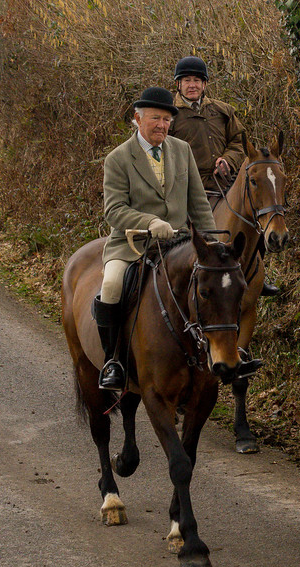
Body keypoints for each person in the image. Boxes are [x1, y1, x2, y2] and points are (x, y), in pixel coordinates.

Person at [94, 86, 217, 390]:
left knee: (217, 285)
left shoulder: (181, 150)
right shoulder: (118, 159)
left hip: (178, 244)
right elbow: (114, 211)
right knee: (110, 285)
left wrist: (212, 243)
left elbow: (199, 203)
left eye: (166, 119)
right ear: (137, 118)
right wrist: (150, 222)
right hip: (132, 245)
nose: (162, 125)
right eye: (155, 118)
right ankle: (113, 361)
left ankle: (219, 354)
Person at [168, 55, 279, 297]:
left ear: (205, 84)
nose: (192, 85)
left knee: (254, 220)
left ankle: (258, 274)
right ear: (178, 84)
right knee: (185, 236)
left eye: (197, 80)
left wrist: (227, 160)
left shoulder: (223, 110)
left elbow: (240, 144)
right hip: (187, 189)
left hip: (223, 185)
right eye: (186, 80)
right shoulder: (171, 115)